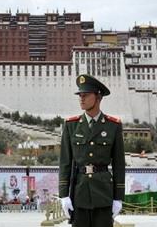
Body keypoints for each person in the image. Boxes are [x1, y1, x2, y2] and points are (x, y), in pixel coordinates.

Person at [59, 74, 125, 227]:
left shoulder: (113, 126)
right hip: (79, 193)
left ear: (98, 97)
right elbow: (65, 163)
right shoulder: (71, 125)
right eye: (80, 95)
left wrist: (118, 197)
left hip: (103, 194)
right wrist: (64, 195)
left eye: (86, 95)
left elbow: (119, 164)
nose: (81, 99)